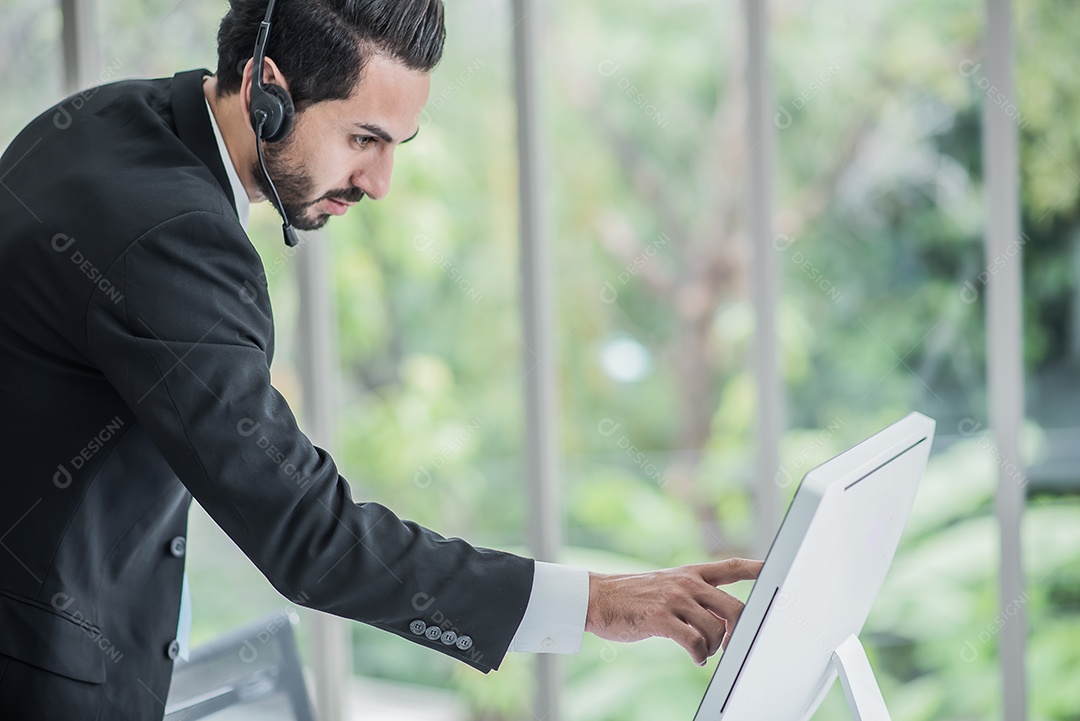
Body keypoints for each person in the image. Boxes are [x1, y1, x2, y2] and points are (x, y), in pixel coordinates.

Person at [0, 0, 760, 717]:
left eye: (396, 145)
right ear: (268, 89)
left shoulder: (105, 119)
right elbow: (310, 534)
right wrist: (592, 602)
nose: (379, 182)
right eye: (363, 138)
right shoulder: (171, 238)